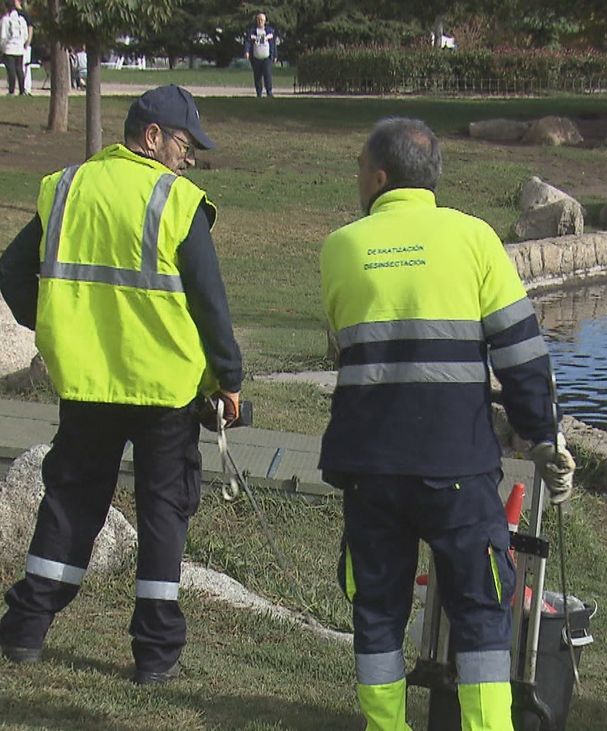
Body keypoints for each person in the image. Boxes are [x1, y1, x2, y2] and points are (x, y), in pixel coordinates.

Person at [0, 84, 243, 686]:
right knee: (163, 515)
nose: (189, 158)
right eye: (185, 144)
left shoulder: (68, 187)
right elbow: (210, 303)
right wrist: (229, 378)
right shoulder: (177, 202)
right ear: (152, 137)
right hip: (165, 390)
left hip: (87, 383)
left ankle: (26, 630)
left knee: (70, 502)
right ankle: (155, 658)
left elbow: (12, 271)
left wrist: (56, 325)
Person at [318, 117, 576, 730]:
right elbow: (521, 354)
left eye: (360, 168)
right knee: (482, 607)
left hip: (370, 467)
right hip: (457, 466)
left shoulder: (340, 248)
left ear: (379, 178)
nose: (357, 178)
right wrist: (543, 437)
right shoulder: (475, 239)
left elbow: (342, 346)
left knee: (377, 608)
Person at [0, 0, 28, 95]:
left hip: (9, 49)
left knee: (11, 70)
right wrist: (21, 43)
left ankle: (11, 90)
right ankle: (22, 90)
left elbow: (1, 36)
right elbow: (25, 34)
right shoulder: (21, 20)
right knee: (19, 70)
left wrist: (2, 47)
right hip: (19, 48)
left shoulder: (5, 20)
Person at [242, 12, 278, 98]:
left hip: (267, 57)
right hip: (256, 57)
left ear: (265, 21)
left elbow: (273, 44)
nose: (260, 21)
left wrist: (275, 55)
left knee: (267, 75)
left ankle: (269, 92)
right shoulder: (252, 31)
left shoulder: (270, 31)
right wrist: (246, 51)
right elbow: (247, 42)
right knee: (257, 76)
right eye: (258, 20)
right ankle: (259, 93)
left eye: (262, 20)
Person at [16, 0, 36, 94]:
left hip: (24, 45)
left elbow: (30, 27)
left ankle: (27, 88)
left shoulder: (24, 14)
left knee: (25, 67)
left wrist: (28, 41)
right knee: (16, 67)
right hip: (15, 45)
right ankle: (17, 87)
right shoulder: (11, 15)